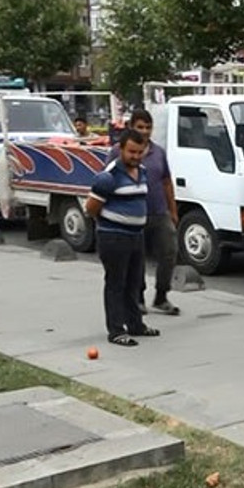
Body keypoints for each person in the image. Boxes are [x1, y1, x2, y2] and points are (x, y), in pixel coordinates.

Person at [86, 130, 159, 347]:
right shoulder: (108, 177)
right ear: (121, 150)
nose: (136, 156)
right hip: (113, 238)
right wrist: (111, 222)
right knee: (116, 284)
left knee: (134, 284)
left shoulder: (143, 172)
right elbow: (91, 208)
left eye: (140, 152)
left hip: (136, 236)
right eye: (131, 152)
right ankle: (116, 330)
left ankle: (136, 324)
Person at [108, 109, 180, 316]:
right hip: (132, 215)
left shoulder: (158, 152)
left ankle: (161, 296)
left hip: (158, 212)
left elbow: (166, 182)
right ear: (131, 128)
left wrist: (172, 210)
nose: (145, 131)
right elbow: (107, 181)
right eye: (140, 127)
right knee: (136, 258)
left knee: (169, 252)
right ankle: (137, 298)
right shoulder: (117, 152)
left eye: (148, 127)